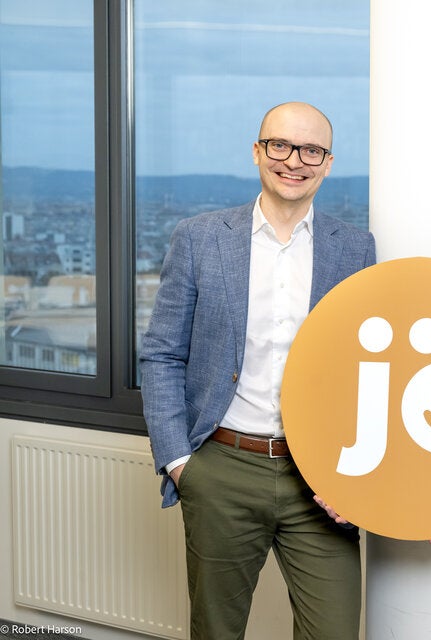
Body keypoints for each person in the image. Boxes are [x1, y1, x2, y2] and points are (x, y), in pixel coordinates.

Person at [140, 101, 375, 639]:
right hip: (221, 467)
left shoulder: (356, 250)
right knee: (216, 630)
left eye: (312, 149)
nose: (295, 160)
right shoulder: (201, 238)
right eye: (281, 145)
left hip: (320, 479)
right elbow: (163, 353)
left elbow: (367, 371)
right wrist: (179, 462)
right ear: (257, 151)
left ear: (328, 162)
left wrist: (358, 477)